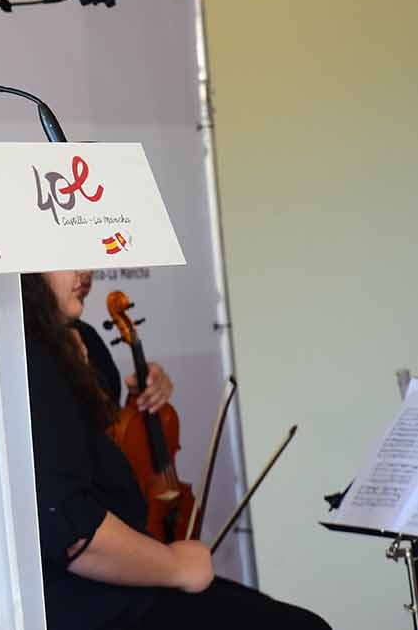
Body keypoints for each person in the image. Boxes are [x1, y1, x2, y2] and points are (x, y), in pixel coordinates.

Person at [22, 271, 330, 630]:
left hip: (125, 583)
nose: (85, 270)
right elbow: (72, 530)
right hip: (87, 604)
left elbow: (94, 451)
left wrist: (141, 401)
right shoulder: (27, 356)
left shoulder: (85, 339)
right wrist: (175, 566)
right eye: (66, 257)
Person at [69, 269, 173, 413]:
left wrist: (141, 397)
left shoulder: (88, 335)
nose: (88, 271)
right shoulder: (35, 350)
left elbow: (110, 420)